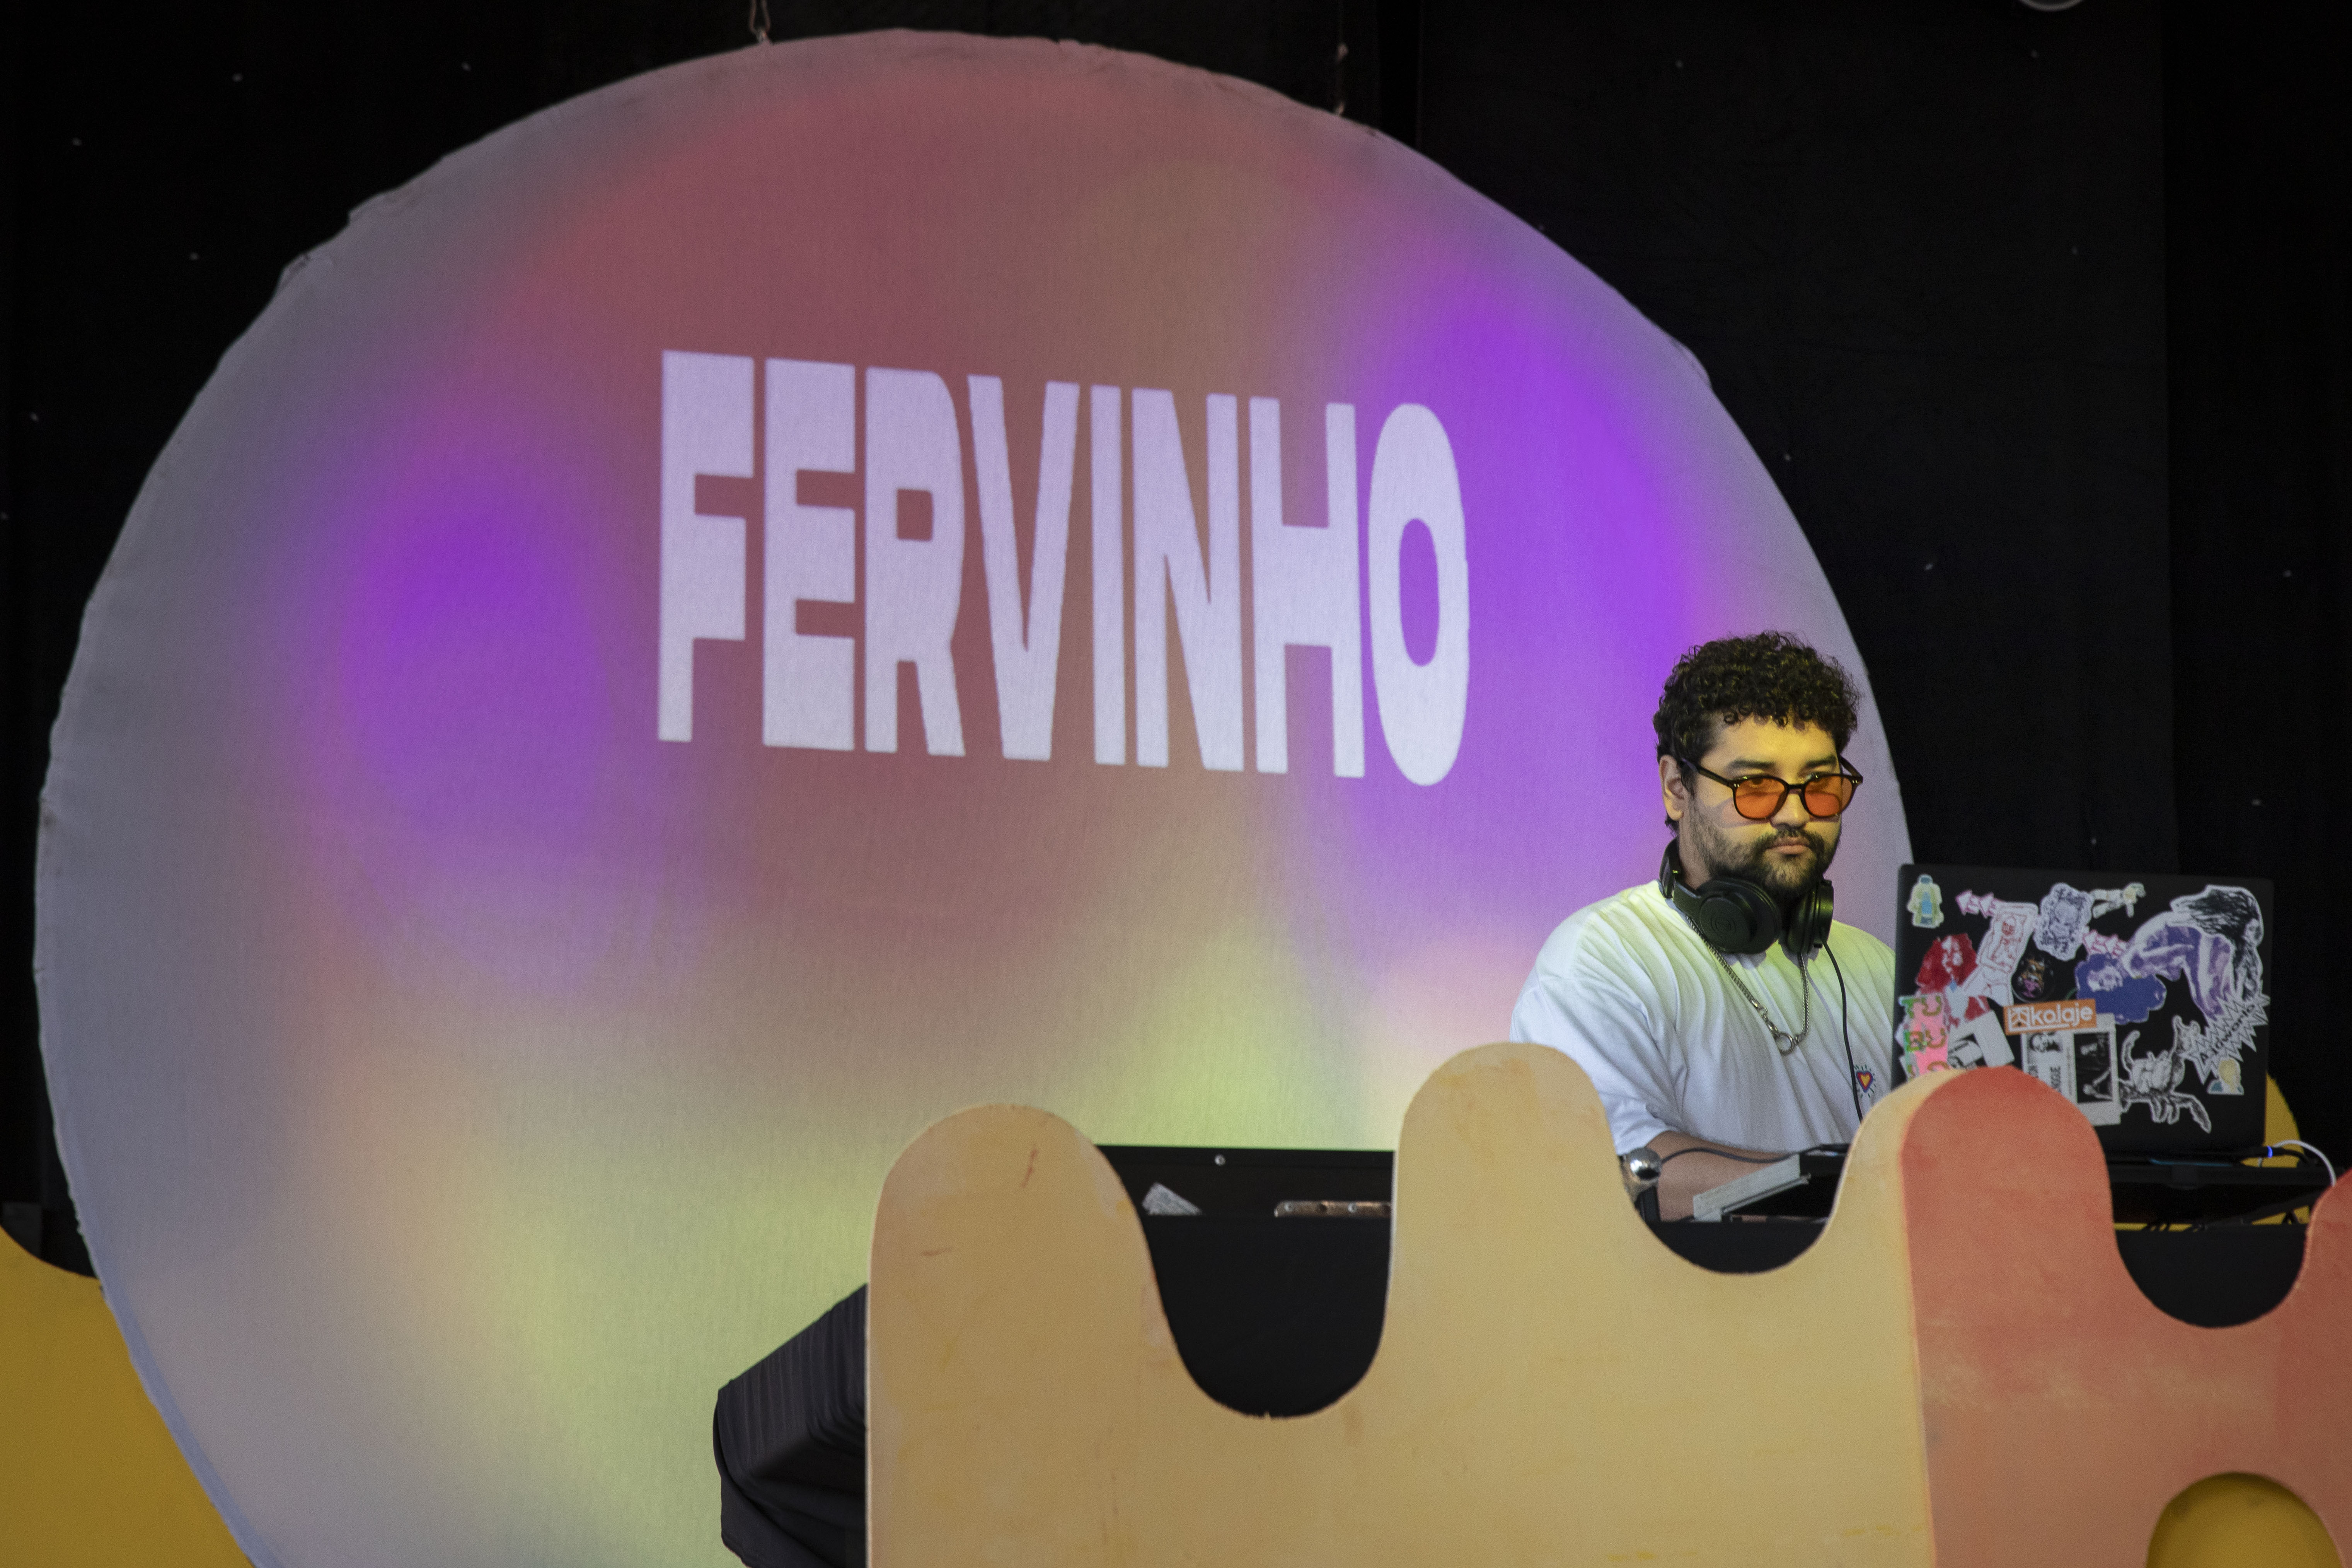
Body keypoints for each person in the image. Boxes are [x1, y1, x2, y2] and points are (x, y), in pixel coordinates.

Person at [1509, 632, 1897, 1220]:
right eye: (1756, 787)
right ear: (1676, 788)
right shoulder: (1599, 959)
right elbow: (1617, 1172)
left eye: (1820, 786)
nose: (1795, 814)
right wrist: (1851, 1191)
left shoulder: (1878, 967)